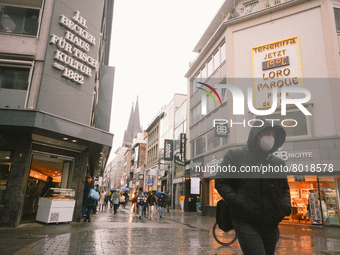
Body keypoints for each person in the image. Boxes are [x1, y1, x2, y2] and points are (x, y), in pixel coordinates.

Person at [215, 120, 291, 255]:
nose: (270, 138)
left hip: (271, 223)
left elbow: (284, 188)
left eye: (273, 135)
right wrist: (236, 201)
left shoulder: (278, 162)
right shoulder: (235, 156)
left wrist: (284, 206)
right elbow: (221, 182)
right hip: (245, 221)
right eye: (267, 133)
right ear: (257, 135)